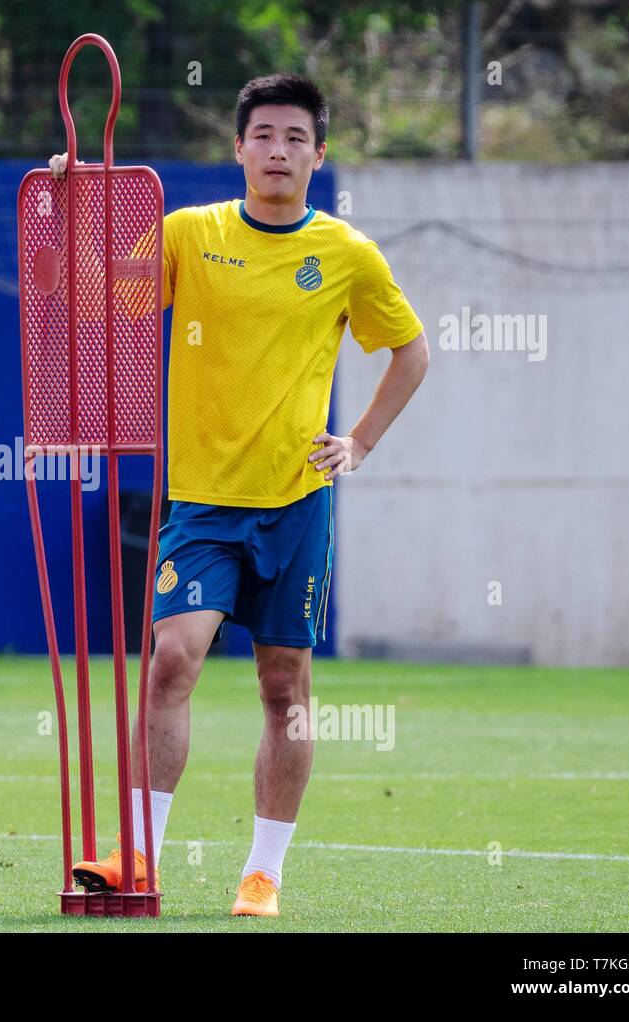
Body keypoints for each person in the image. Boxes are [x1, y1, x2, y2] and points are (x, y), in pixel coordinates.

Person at [49, 73, 429, 917]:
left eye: (296, 138)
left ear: (318, 155)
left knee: (283, 687)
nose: (278, 151)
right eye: (263, 135)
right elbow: (100, 304)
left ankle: (264, 872)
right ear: (238, 148)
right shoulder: (189, 233)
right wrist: (73, 207)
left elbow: (409, 351)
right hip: (201, 502)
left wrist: (358, 441)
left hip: (296, 503)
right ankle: (138, 858)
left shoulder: (346, 255)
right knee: (172, 661)